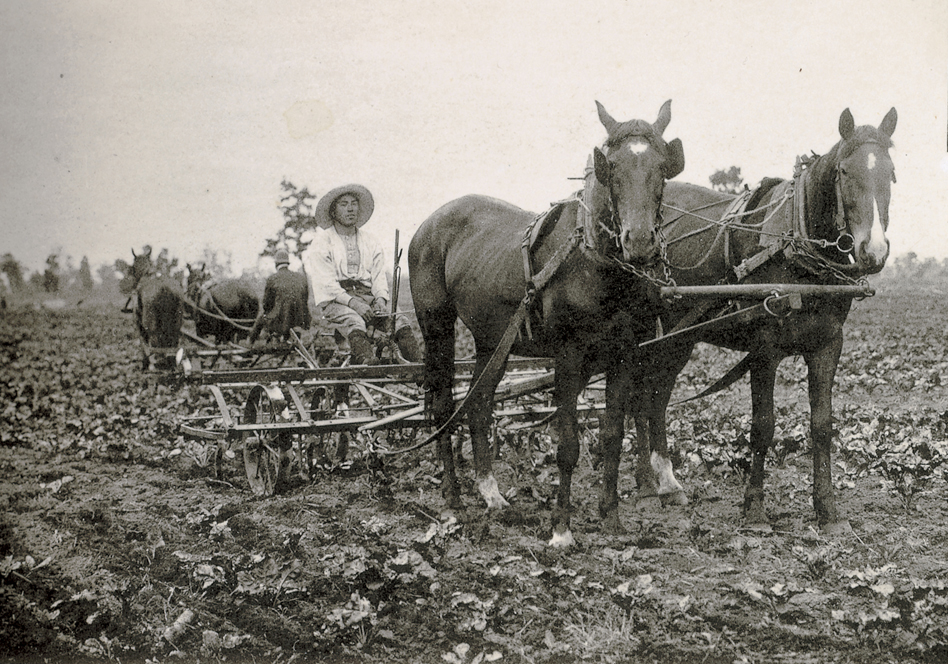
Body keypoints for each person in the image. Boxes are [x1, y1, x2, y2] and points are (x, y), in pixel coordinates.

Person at [302, 184, 422, 365]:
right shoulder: (322, 242)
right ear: (333, 212)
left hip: (368, 297)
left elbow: (378, 275)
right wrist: (353, 303)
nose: (350, 209)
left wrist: (380, 299)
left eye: (354, 204)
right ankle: (367, 363)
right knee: (354, 320)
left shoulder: (370, 241)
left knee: (399, 320)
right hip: (336, 301)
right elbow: (326, 283)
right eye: (344, 204)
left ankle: (419, 369)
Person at [247, 248, 311, 345]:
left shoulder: (272, 278)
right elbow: (305, 299)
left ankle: (250, 342)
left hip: (281, 320)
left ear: (276, 264)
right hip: (300, 319)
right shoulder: (300, 277)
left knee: (262, 318)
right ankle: (288, 339)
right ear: (287, 263)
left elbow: (266, 304)